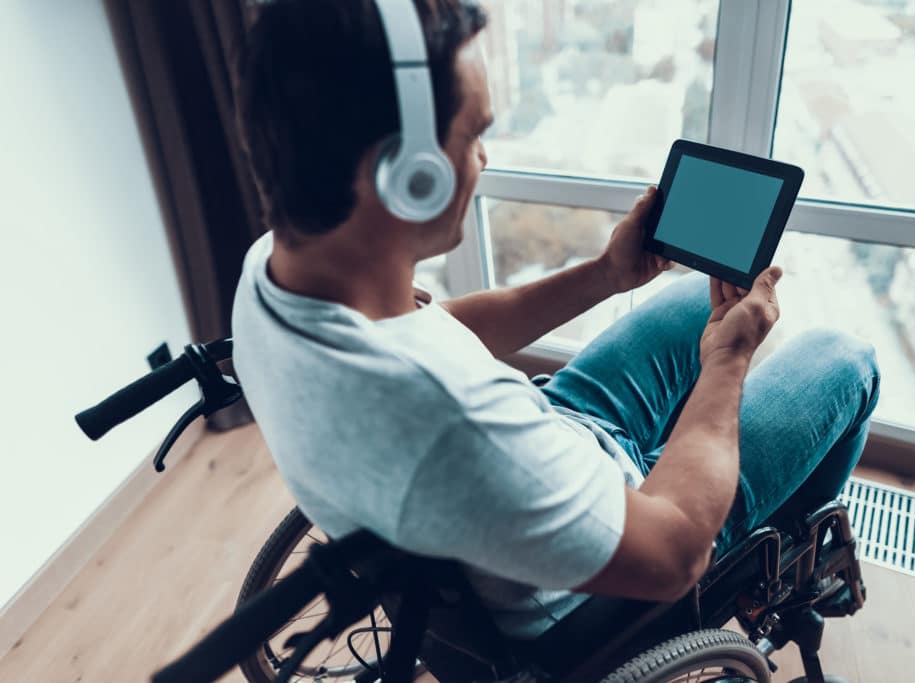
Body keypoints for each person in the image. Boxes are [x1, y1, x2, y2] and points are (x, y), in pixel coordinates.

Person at [230, 0, 880, 639]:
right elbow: (676, 550)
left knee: (692, 303)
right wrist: (729, 361)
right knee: (848, 362)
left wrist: (605, 274)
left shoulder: (279, 273)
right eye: (474, 134)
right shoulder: (448, 422)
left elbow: (442, 330)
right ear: (407, 176)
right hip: (607, 558)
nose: (483, 159)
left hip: (540, 452)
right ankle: (792, 570)